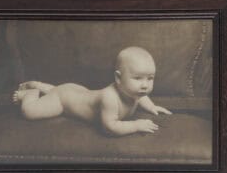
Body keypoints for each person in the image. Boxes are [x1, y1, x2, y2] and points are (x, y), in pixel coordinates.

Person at [12, 46, 171, 136]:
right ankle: (31, 93)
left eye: (150, 78)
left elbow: (141, 97)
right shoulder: (109, 98)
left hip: (77, 92)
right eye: (138, 78)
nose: (145, 85)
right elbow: (109, 127)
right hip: (64, 101)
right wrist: (136, 125)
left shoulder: (134, 91)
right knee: (29, 112)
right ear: (118, 78)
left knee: (60, 90)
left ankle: (42, 86)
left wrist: (151, 107)